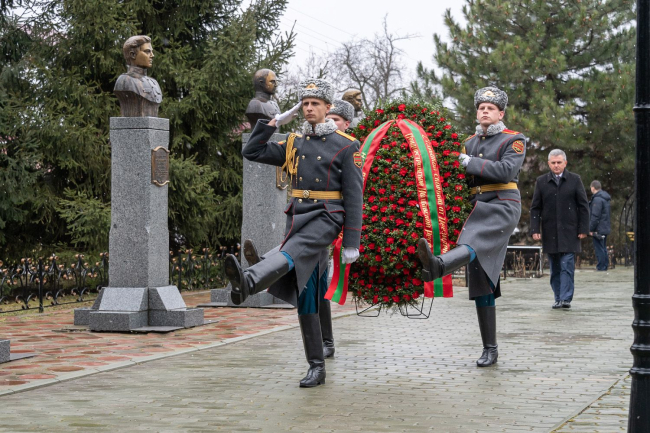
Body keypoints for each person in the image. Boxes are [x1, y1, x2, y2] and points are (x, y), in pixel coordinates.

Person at [224, 78, 363, 387]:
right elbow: (252, 151)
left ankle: (250, 280)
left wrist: (352, 241)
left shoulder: (346, 145)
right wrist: (274, 123)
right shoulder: (294, 142)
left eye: (316, 103)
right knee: (307, 294)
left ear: (328, 107)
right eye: (305, 104)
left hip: (326, 217)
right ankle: (317, 367)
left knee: (290, 252)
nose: (309, 108)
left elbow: (355, 196)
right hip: (298, 217)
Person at [417, 86, 526, 367]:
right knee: (482, 279)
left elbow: (506, 171)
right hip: (476, 207)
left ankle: (439, 266)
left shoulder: (513, 139)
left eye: (491, 108)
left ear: (501, 113)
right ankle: (490, 349)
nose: (485, 111)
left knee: (473, 243)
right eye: (481, 108)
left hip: (502, 204)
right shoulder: (468, 142)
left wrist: (469, 162)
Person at [530, 149, 590, 309]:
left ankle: (565, 299)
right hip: (550, 231)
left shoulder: (575, 180)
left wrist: (584, 228)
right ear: (548, 164)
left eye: (559, 162)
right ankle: (558, 298)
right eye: (553, 163)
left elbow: (583, 206)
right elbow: (535, 208)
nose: (556, 165)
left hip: (570, 231)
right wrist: (535, 229)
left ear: (565, 163)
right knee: (555, 268)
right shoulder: (541, 182)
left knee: (567, 266)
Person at [114, 35, 163, 117]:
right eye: (147, 51)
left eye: (151, 51)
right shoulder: (124, 81)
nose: (152, 55)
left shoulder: (154, 83)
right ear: (133, 55)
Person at [589, 180, 611, 271]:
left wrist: (590, 228)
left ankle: (601, 267)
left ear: (593, 188)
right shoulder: (605, 198)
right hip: (604, 227)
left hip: (598, 228)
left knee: (599, 248)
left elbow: (595, 216)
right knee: (603, 247)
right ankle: (604, 265)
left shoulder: (597, 199)